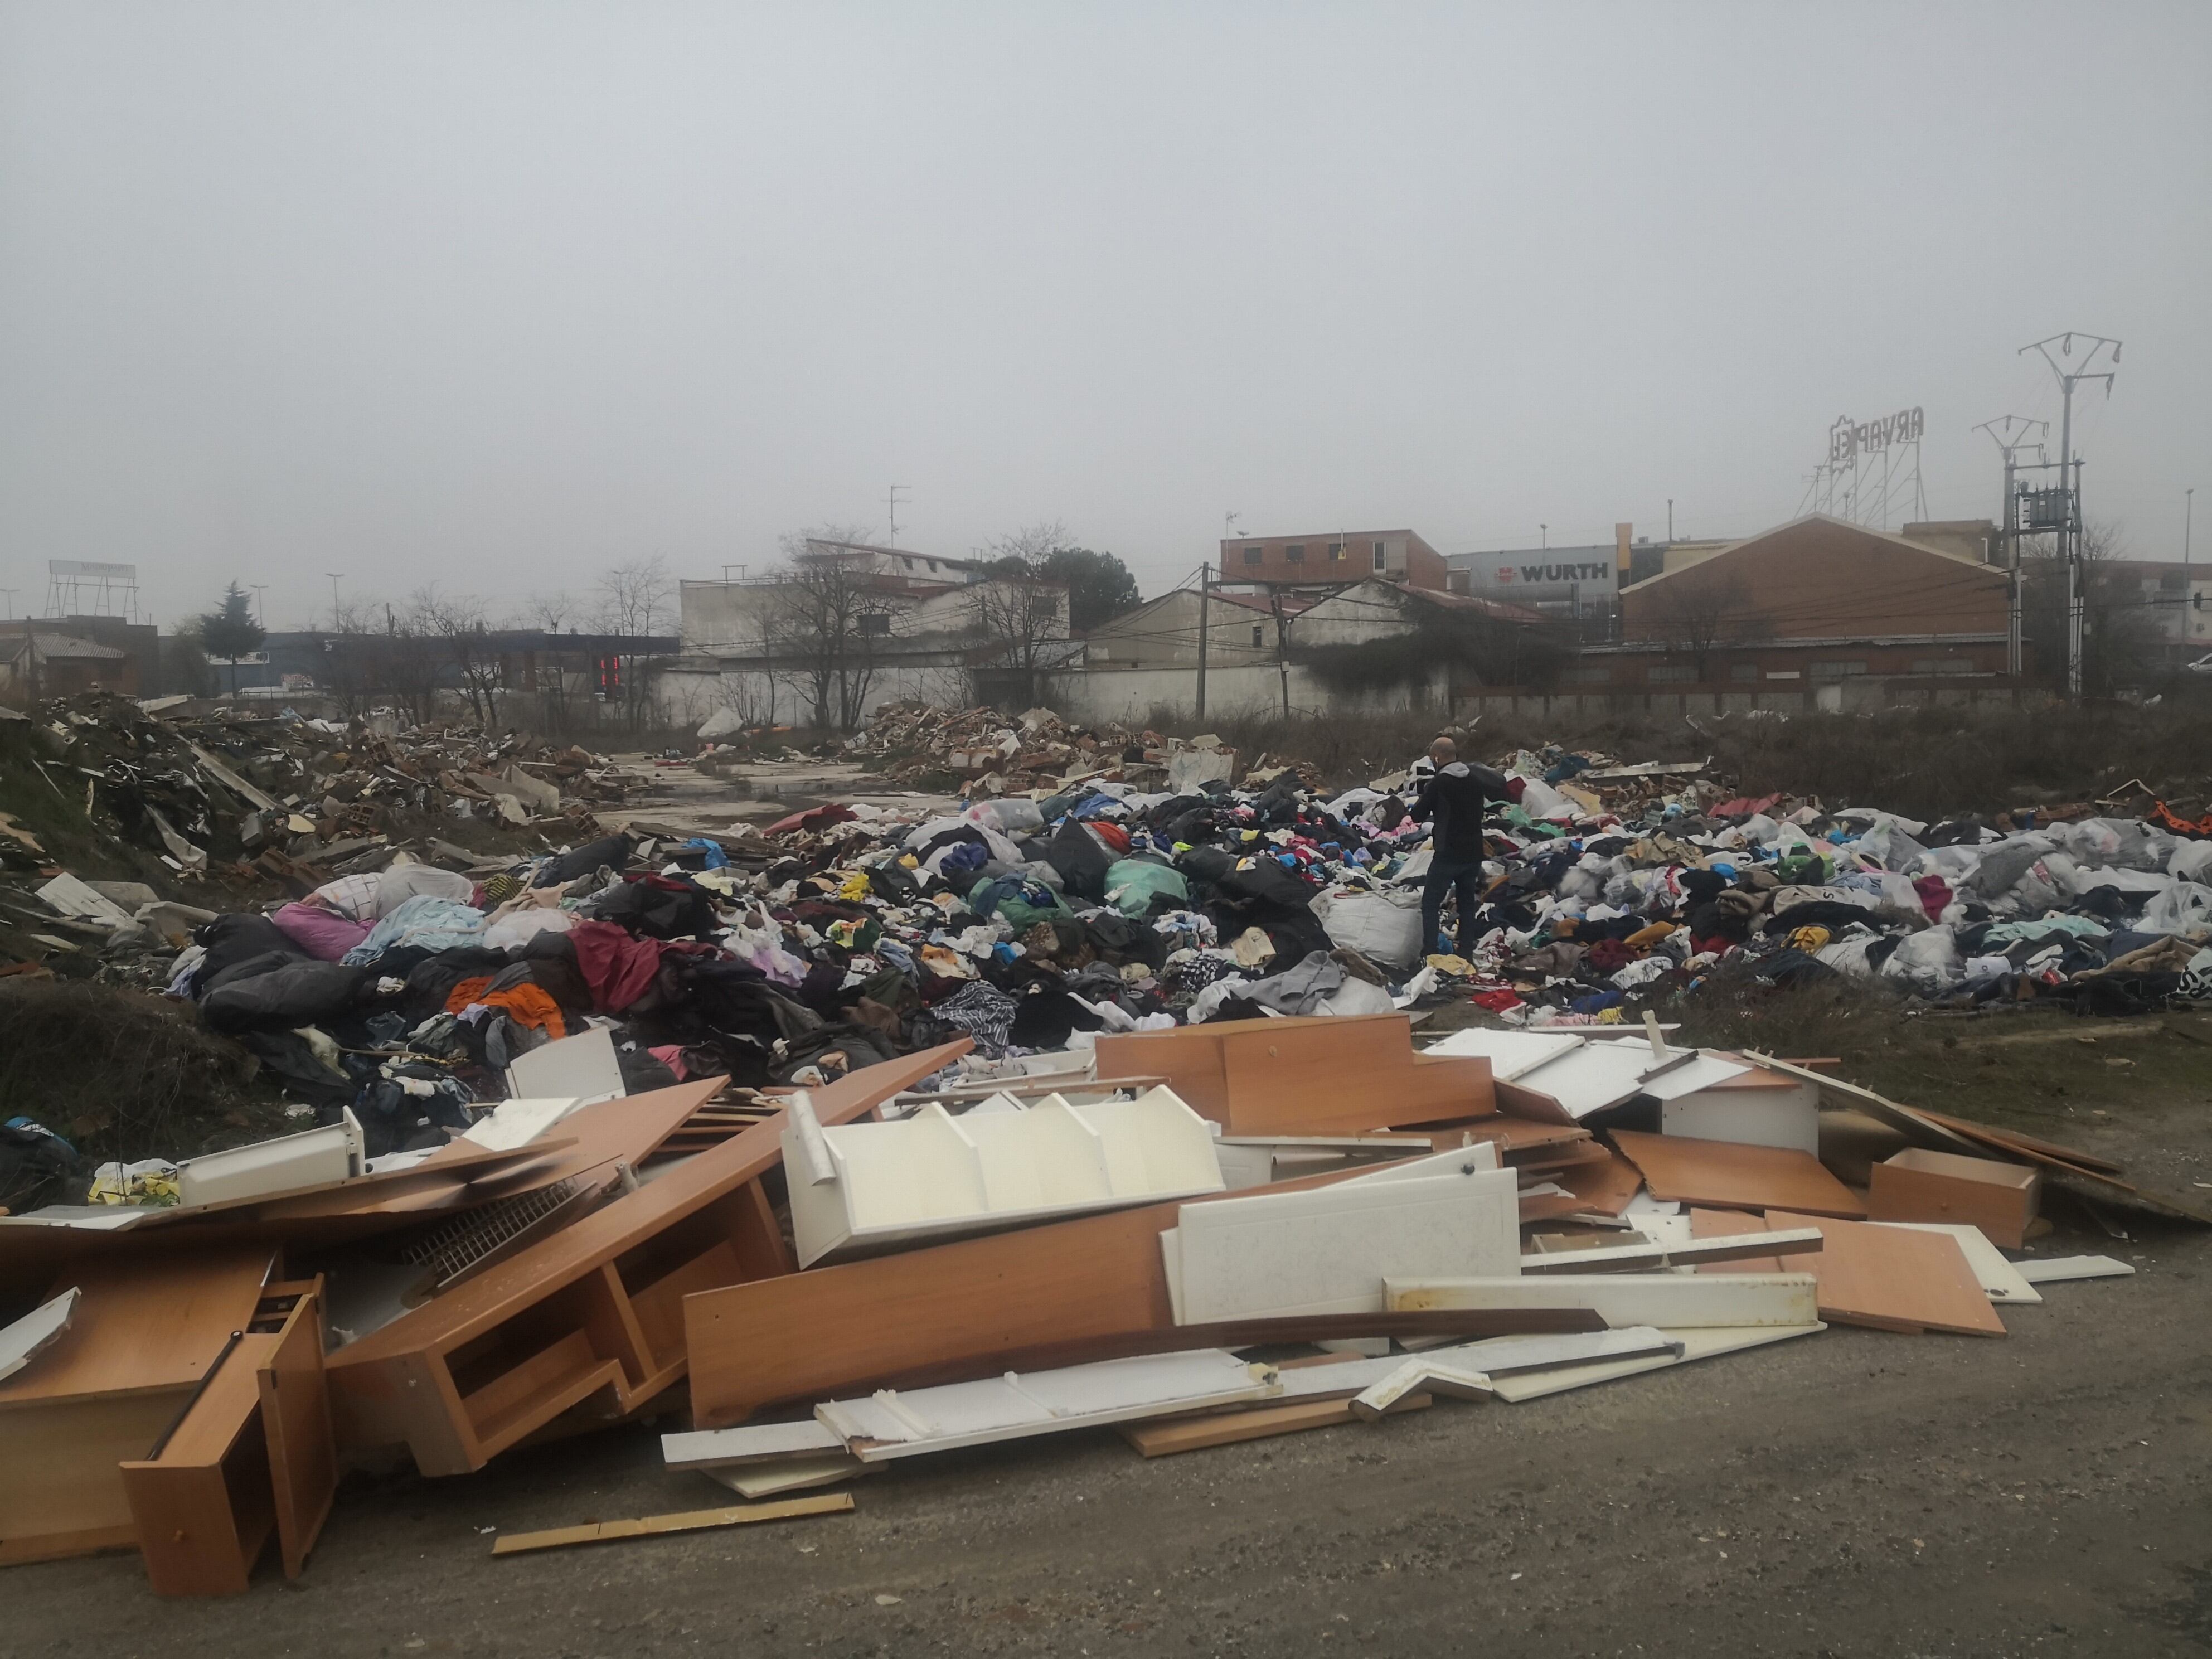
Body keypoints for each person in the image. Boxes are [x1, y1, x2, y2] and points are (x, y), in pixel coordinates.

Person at [1409, 736, 1512, 958]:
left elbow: (1417, 814)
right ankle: (1466, 951)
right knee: (1466, 902)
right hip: (1474, 851)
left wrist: (1427, 794)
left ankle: (1431, 953)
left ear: (1437, 757)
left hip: (1448, 853)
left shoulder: (1440, 783)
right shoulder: (1475, 780)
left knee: (1431, 902)